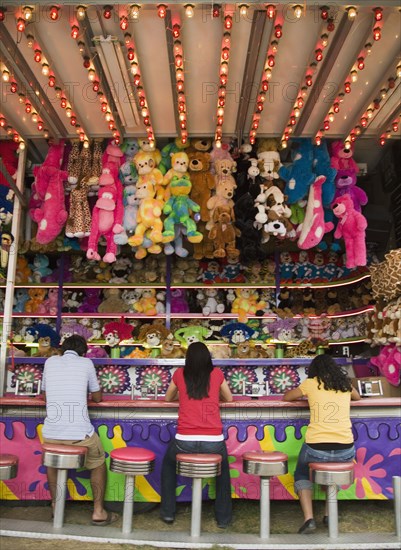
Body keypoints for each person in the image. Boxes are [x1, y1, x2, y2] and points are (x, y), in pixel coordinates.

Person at [42, 334, 118, 526]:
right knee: (98, 463)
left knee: (52, 464)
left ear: (62, 348)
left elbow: (44, 395)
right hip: (80, 434)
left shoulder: (50, 362)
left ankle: (54, 505)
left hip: (51, 434)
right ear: (83, 352)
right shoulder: (86, 363)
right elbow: (98, 397)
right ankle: (99, 512)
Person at [283, 354, 361, 534]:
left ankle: (309, 519)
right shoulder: (345, 384)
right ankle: (328, 514)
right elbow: (358, 397)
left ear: (314, 370)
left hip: (316, 447)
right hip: (345, 449)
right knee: (336, 473)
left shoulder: (311, 383)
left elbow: (287, 397)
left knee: (301, 472)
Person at [160, 341, 233, 528]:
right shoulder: (216, 374)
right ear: (208, 357)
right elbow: (229, 397)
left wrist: (183, 395)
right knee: (223, 473)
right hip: (214, 442)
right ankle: (223, 519)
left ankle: (168, 513)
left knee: (168, 465)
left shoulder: (179, 374)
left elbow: (168, 397)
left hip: (184, 441)